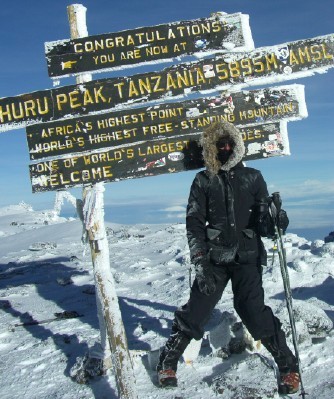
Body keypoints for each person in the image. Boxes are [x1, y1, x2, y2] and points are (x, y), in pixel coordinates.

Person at [156, 121, 300, 395]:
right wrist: (200, 261)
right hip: (213, 258)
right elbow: (194, 222)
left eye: (229, 143)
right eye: (219, 144)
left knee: (252, 310)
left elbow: (264, 225)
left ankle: (288, 365)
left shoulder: (253, 177)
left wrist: (277, 220)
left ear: (237, 146)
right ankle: (168, 361)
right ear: (211, 148)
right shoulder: (203, 180)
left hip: (247, 256)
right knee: (197, 309)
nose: (224, 148)